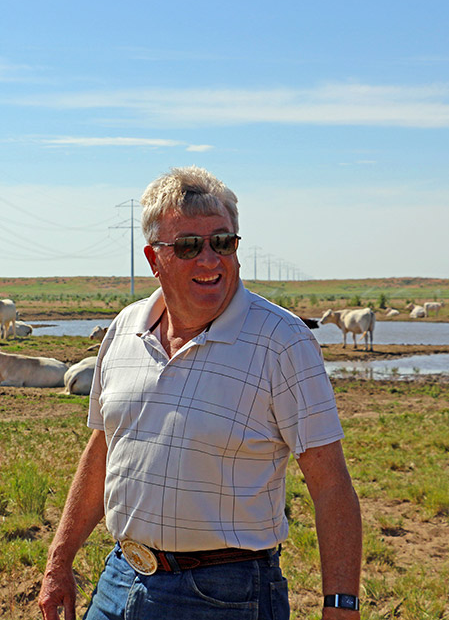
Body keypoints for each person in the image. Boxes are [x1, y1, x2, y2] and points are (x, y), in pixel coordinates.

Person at [38, 166, 362, 620]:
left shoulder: (282, 341)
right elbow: (104, 446)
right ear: (154, 260)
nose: (210, 259)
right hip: (119, 579)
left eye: (223, 242)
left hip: (226, 595)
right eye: (189, 246)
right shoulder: (124, 330)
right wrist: (59, 560)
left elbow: (332, 487)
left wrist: (341, 608)